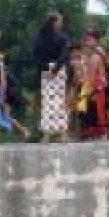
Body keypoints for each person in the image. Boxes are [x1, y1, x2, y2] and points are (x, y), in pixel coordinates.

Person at [33, 11, 70, 143]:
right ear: (53, 22)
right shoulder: (41, 37)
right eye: (59, 21)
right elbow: (36, 56)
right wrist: (49, 69)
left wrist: (52, 69)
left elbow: (65, 54)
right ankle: (48, 134)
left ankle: (61, 134)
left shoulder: (62, 37)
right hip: (49, 71)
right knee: (48, 103)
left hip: (54, 71)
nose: (61, 23)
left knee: (58, 102)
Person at [78, 26, 109, 139]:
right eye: (86, 39)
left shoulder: (98, 52)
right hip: (90, 82)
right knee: (88, 107)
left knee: (99, 107)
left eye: (90, 39)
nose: (87, 41)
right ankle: (96, 131)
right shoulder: (88, 53)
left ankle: (104, 131)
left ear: (96, 39)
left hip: (98, 83)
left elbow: (105, 66)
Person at [0, 47, 29, 140]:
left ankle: (24, 131)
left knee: (3, 116)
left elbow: (3, 82)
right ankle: (23, 132)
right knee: (0, 116)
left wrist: (1, 96)